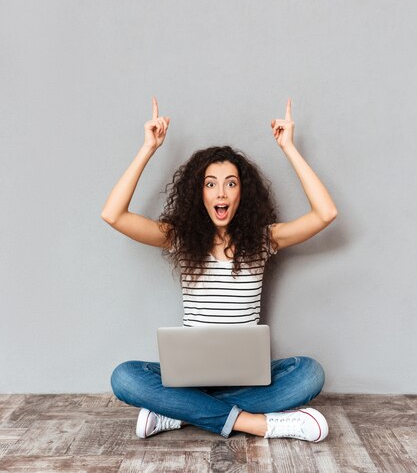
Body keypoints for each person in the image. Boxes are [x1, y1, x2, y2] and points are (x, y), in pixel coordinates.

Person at [101, 96, 338, 442]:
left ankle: (178, 413)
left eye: (230, 182)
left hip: (246, 376)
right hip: (191, 376)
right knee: (124, 377)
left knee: (309, 374)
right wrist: (147, 148)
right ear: (200, 194)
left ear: (243, 192)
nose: (220, 191)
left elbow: (325, 214)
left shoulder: (262, 240)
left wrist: (289, 147)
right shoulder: (180, 239)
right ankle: (259, 424)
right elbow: (113, 215)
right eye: (210, 183)